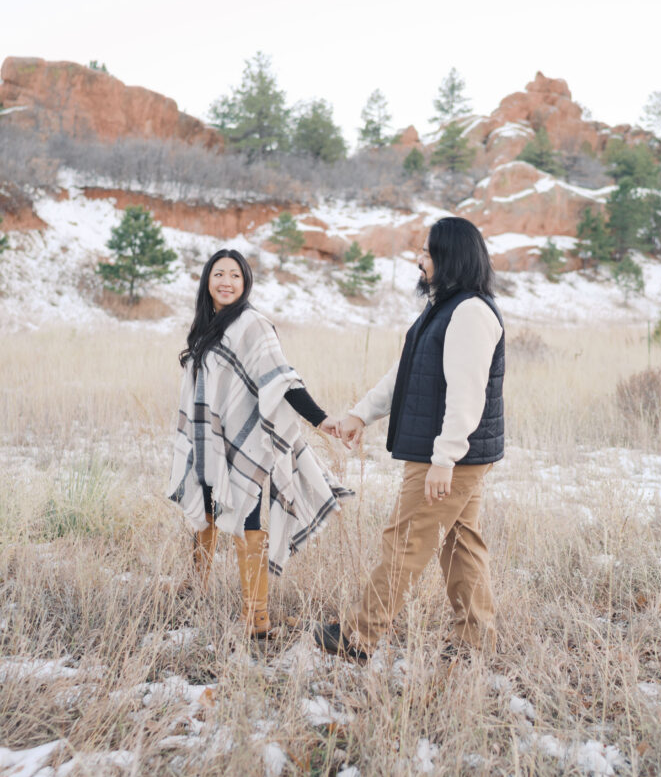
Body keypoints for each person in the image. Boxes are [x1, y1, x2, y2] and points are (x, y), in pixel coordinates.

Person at [315, 216, 504, 661]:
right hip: (453, 453)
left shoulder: (469, 313)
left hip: (449, 455)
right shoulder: (445, 309)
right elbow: (405, 374)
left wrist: (445, 458)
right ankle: (475, 640)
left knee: (406, 539)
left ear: (449, 257)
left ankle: (360, 635)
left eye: (427, 252)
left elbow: (466, 393)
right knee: (461, 543)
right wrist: (361, 413)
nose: (420, 261)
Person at [168, 248, 350, 637]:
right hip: (207, 437)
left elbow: (282, 380)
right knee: (206, 508)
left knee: (245, 510)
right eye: (219, 274)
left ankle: (257, 618)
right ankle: (195, 589)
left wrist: (321, 418)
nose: (227, 282)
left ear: (245, 282)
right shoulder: (207, 325)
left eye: (235, 275)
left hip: (244, 440)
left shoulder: (253, 325)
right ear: (207, 281)